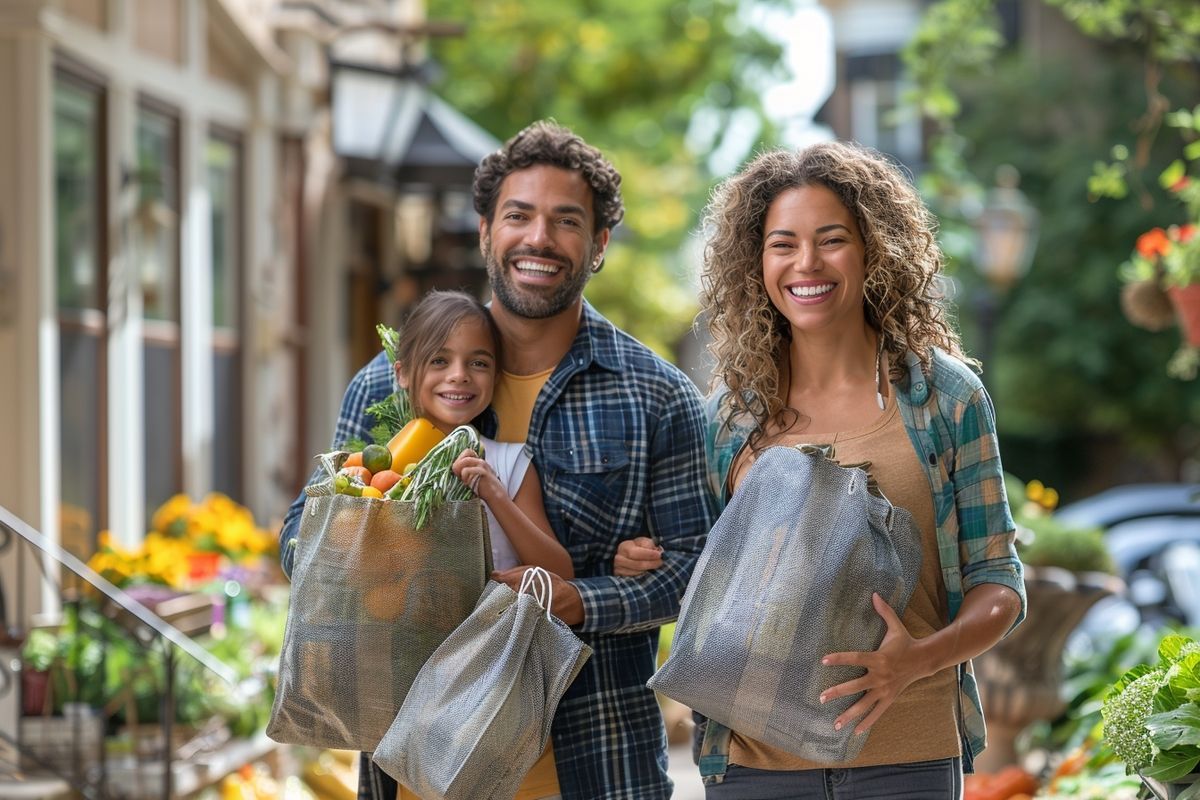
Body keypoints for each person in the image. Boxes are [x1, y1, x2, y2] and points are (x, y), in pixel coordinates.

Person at [279, 120, 717, 800]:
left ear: (598, 244)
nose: (538, 238)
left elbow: (698, 577)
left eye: (566, 221)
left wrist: (584, 597)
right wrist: (369, 549)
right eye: (518, 215)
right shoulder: (384, 385)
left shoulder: (656, 396)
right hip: (414, 770)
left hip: (592, 769)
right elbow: (300, 542)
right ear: (486, 231)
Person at [691, 141, 1027, 798]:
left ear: (873, 250)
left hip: (908, 750)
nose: (806, 263)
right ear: (755, 262)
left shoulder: (946, 400)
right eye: (782, 243)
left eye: (832, 239)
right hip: (753, 762)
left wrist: (919, 660)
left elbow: (1000, 583)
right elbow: (700, 585)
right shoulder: (729, 419)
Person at [384, 288, 571, 577]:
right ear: (403, 373)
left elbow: (561, 574)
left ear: (496, 376)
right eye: (439, 360)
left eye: (479, 363)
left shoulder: (509, 464)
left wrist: (495, 494)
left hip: (493, 622)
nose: (459, 375)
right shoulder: (383, 463)